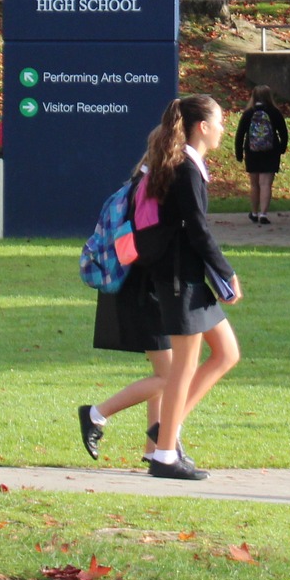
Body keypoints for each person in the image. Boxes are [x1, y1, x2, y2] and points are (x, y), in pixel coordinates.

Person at [138, 95, 241, 481]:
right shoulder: (185, 167)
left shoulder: (184, 163)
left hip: (189, 276)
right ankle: (165, 453)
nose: (222, 129)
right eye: (219, 121)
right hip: (181, 276)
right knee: (184, 365)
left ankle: (166, 428)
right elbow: (197, 229)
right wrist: (226, 270)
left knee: (227, 352)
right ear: (202, 126)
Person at [79, 165, 173, 465]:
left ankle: (153, 449)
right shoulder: (150, 191)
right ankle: (96, 414)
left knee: (164, 371)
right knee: (171, 377)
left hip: (134, 287)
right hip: (145, 291)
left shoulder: (133, 188)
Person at [232, 86, 288, 225]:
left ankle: (254, 212)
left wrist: (239, 153)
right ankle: (263, 214)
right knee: (266, 184)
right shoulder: (275, 112)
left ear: (254, 97)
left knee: (254, 185)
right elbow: (284, 133)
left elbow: (240, 135)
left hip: (252, 152)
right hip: (271, 152)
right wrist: (281, 148)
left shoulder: (248, 113)